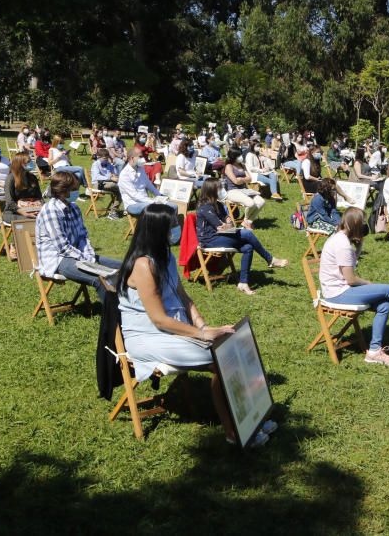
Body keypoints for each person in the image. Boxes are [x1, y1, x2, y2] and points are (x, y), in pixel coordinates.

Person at [117, 204, 277, 447]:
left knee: (233, 342)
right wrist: (201, 334)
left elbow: (182, 296)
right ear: (158, 230)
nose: (178, 228)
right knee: (221, 358)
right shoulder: (143, 265)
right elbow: (158, 319)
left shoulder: (165, 256)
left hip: (174, 329)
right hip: (149, 336)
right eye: (173, 225)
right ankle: (235, 430)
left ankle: (253, 416)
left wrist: (202, 324)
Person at [319, 207, 389, 365]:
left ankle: (373, 351)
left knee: (384, 304)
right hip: (337, 293)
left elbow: (350, 264)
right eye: (363, 224)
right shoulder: (342, 244)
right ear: (356, 225)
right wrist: (367, 283)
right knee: (387, 289)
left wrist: (359, 246)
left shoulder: (341, 239)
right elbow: (351, 279)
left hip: (341, 289)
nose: (365, 227)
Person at [34, 171, 121, 303]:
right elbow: (62, 248)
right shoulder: (51, 211)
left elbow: (83, 237)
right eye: (74, 189)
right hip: (58, 260)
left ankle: (131, 307)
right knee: (100, 279)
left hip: (78, 255)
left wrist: (89, 256)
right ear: (62, 191)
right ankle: (114, 319)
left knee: (123, 267)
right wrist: (87, 260)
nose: (77, 192)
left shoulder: (74, 208)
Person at [195, 180, 287, 295]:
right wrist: (226, 224)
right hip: (210, 240)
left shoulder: (218, 205)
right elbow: (221, 226)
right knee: (247, 234)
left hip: (221, 235)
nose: (221, 191)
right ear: (211, 191)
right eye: (218, 188)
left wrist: (227, 224)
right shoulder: (205, 207)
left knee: (248, 247)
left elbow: (229, 224)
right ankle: (270, 260)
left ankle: (243, 283)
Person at [119, 148, 180, 244]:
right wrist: (153, 201)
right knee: (156, 207)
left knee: (173, 206)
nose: (143, 159)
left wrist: (159, 194)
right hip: (133, 204)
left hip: (145, 200)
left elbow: (148, 184)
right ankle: (162, 237)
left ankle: (171, 234)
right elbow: (134, 196)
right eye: (140, 157)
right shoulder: (124, 175)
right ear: (132, 158)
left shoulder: (140, 169)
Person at [222, 148, 266, 229]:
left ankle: (246, 221)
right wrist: (243, 179)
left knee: (261, 201)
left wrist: (241, 179)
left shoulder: (242, 165)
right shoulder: (229, 166)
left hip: (245, 191)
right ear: (233, 157)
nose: (241, 156)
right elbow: (235, 181)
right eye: (239, 155)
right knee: (251, 203)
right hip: (232, 191)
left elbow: (250, 178)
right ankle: (247, 222)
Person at [3, 152, 43, 227]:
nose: (31, 163)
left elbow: (40, 197)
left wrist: (41, 209)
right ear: (20, 164)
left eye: (31, 161)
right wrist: (24, 212)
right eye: (28, 162)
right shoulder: (11, 178)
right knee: (33, 221)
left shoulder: (32, 177)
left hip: (33, 209)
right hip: (14, 212)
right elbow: (9, 202)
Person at [89, 148, 123, 220]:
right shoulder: (95, 164)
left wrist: (114, 175)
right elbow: (96, 177)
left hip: (108, 183)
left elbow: (114, 172)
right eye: (104, 158)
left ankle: (113, 211)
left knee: (121, 190)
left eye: (107, 158)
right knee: (115, 186)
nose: (106, 159)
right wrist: (110, 177)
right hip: (98, 184)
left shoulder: (108, 164)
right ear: (99, 157)